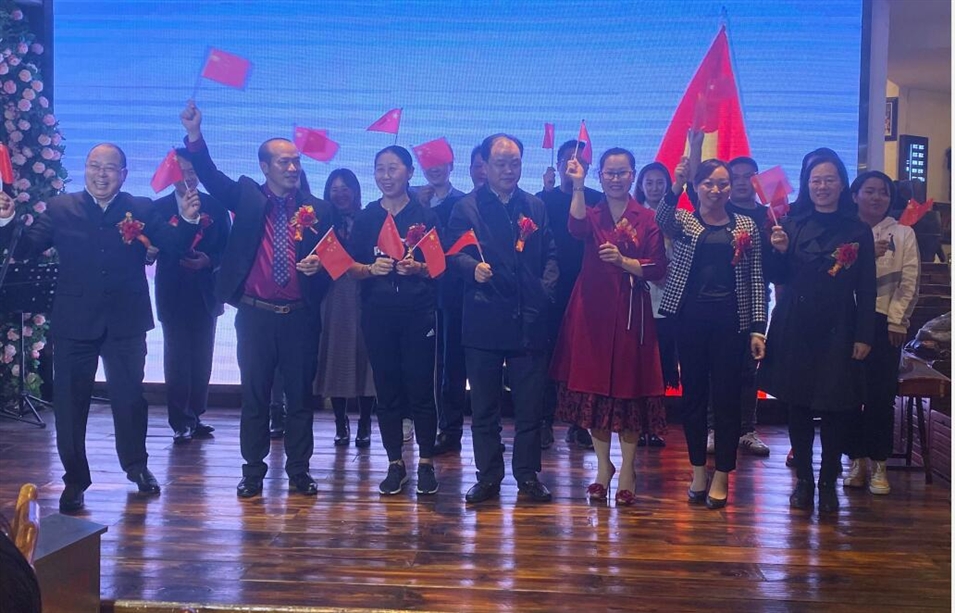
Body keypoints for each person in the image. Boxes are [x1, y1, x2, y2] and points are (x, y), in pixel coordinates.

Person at [0, 143, 197, 512]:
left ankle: (136, 466)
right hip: (74, 321)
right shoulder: (60, 208)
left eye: (109, 168)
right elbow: (25, 248)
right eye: (94, 166)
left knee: (130, 400)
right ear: (86, 169)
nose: (101, 174)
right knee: (69, 405)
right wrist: (7, 219)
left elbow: (173, 246)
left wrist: (186, 220)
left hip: (126, 321)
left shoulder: (141, 208)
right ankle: (75, 480)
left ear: (123, 174)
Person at [180, 100, 334, 499]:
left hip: (300, 316)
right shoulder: (247, 196)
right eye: (284, 162)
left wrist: (321, 266)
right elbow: (211, 175)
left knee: (300, 399)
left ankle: (299, 470)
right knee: (255, 397)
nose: (292, 168)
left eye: (296, 161)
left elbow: (337, 260)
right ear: (265, 167)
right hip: (255, 315)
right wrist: (195, 134)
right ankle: (253, 471)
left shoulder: (318, 209)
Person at [759, 152, 876, 513]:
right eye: (815, 181)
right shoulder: (790, 224)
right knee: (798, 406)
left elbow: (867, 287)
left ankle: (828, 483)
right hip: (796, 324)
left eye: (829, 179)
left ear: (841, 184)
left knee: (836, 407)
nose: (822, 186)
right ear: (807, 185)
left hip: (840, 326)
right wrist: (778, 251)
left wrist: (864, 335)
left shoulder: (858, 230)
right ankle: (804, 482)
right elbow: (776, 276)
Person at [550, 148, 668, 505]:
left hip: (632, 314)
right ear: (599, 176)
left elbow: (657, 267)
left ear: (633, 175)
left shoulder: (646, 217)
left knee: (629, 392)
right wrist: (577, 185)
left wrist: (625, 261)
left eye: (622, 172)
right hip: (591, 313)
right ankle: (604, 467)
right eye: (609, 173)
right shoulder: (593, 213)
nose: (615, 179)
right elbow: (575, 228)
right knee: (594, 393)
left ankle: (628, 469)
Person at [447, 133, 558, 504]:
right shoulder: (466, 207)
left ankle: (527, 475)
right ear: (484, 166)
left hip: (529, 319)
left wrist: (545, 291)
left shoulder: (534, 205)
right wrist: (471, 269)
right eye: (500, 163)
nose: (509, 170)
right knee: (484, 408)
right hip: (484, 317)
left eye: (515, 163)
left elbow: (551, 253)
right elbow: (453, 253)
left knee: (530, 408)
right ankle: (488, 476)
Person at [656, 157, 767, 510]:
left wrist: (758, 329)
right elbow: (661, 219)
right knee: (693, 398)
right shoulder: (685, 221)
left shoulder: (745, 225)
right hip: (689, 319)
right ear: (697, 186)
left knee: (727, 400)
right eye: (708, 183)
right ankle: (697, 472)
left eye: (723, 183)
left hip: (731, 322)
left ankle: (723, 474)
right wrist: (676, 183)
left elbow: (756, 278)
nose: (716, 190)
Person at [348, 145, 441, 495]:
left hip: (418, 314)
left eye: (393, 169)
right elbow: (350, 267)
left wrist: (418, 268)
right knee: (386, 390)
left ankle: (427, 462)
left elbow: (439, 268)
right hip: (378, 315)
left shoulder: (425, 216)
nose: (386, 176)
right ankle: (394, 463)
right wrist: (371, 269)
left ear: (409, 173)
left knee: (421, 388)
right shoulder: (367, 218)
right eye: (380, 169)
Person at [844, 171, 919, 495]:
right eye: (869, 191)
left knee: (880, 395)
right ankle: (855, 461)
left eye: (883, 192)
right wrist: (862, 254)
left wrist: (897, 321)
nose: (876, 197)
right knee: (848, 395)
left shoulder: (903, 233)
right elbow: (831, 274)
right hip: (847, 322)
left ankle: (879, 464)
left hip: (884, 323)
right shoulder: (845, 231)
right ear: (855, 195)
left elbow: (909, 280)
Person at [153, 148, 231, 444]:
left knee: (202, 357)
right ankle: (179, 420)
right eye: (182, 171)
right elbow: (153, 247)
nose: (188, 176)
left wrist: (209, 261)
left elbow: (228, 249)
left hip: (206, 291)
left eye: (192, 170)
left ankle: (196, 415)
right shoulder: (158, 209)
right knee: (176, 358)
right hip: (173, 291)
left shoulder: (216, 206)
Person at [537, 139, 601, 451]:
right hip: (550, 289)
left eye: (580, 161)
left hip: (587, 289)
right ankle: (544, 421)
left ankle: (579, 423)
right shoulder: (542, 200)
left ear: (587, 167)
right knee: (547, 355)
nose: (573, 165)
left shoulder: (598, 200)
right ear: (559, 164)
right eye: (567, 160)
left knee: (582, 358)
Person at [316, 169, 376, 447]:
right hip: (334, 294)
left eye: (345, 188)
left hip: (364, 292)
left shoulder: (368, 219)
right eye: (334, 189)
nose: (340, 194)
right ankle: (340, 422)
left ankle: (365, 423)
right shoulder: (321, 222)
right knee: (336, 356)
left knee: (366, 359)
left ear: (355, 190)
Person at [634, 161, 677, 446]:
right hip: (639, 298)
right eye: (649, 182)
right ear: (641, 185)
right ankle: (637, 425)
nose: (654, 187)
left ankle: (656, 425)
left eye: (660, 182)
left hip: (667, 300)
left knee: (661, 365)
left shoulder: (677, 218)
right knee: (639, 366)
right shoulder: (633, 216)